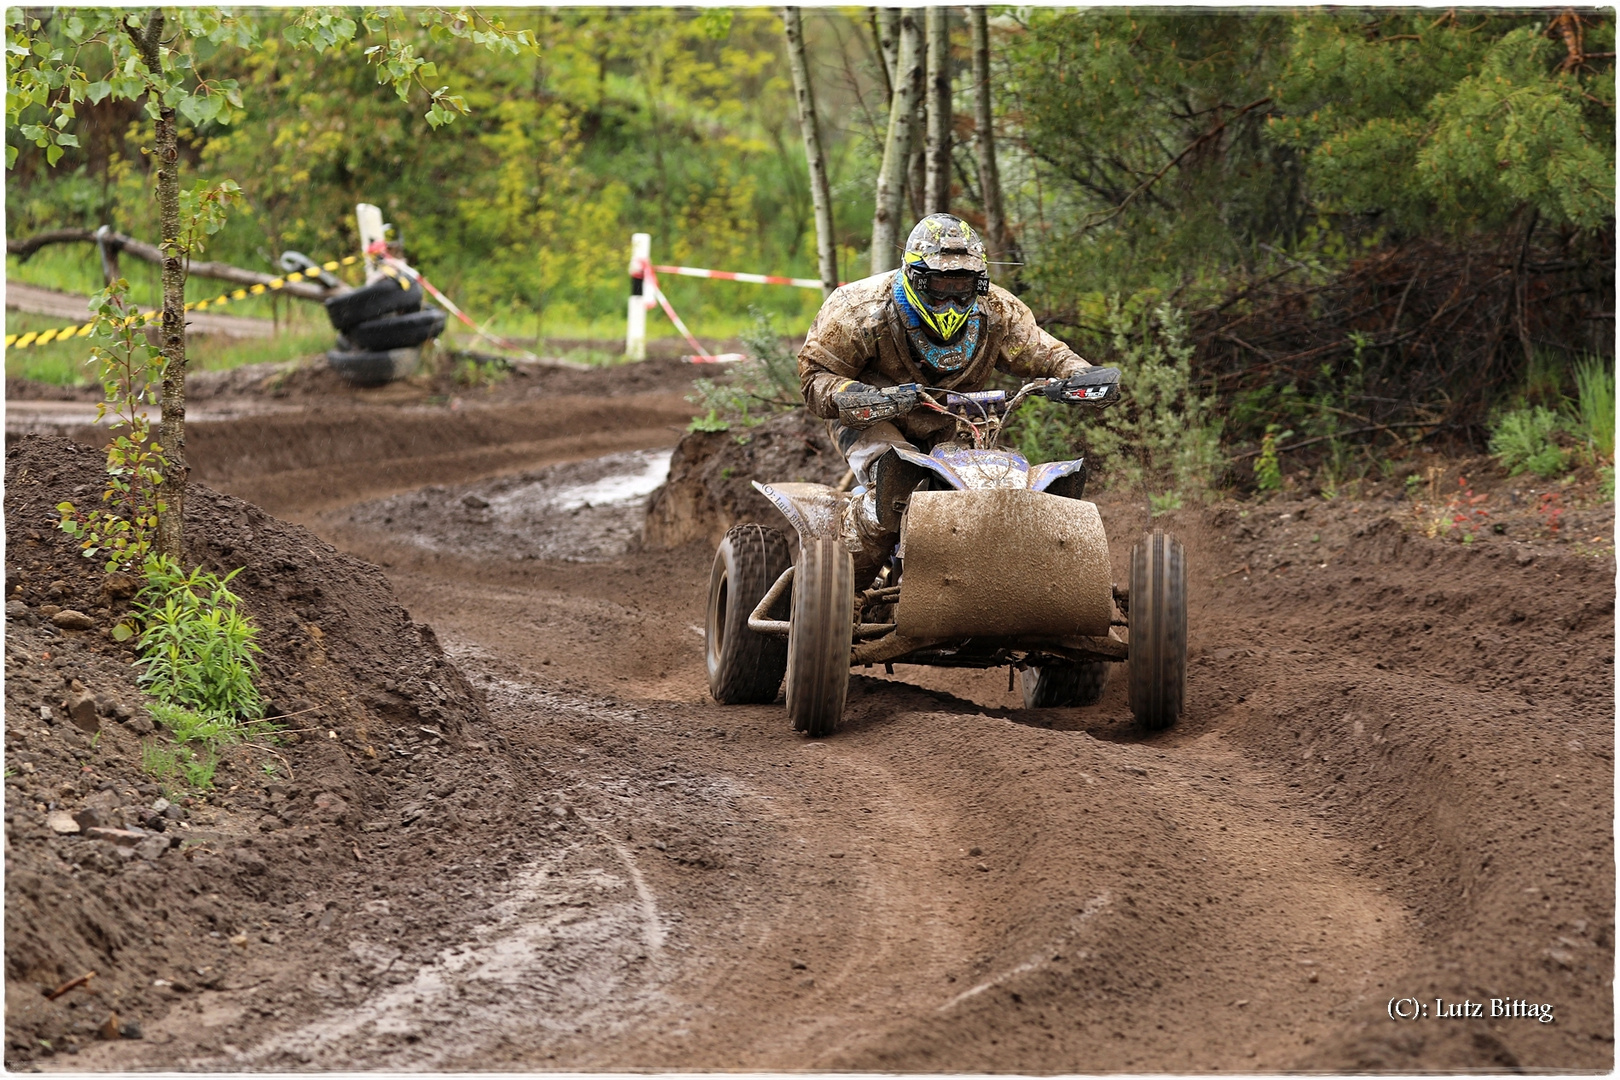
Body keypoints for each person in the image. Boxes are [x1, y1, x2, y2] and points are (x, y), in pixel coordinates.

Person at [797, 213, 1101, 577]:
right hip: (872, 415)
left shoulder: (998, 310)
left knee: (987, 495)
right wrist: (851, 394)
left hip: (958, 416)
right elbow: (814, 376)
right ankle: (841, 582)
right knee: (895, 493)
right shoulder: (858, 310)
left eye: (964, 286)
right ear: (916, 277)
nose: (952, 299)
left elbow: (1043, 352)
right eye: (940, 285)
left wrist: (1079, 373)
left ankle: (996, 585)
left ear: (980, 282)